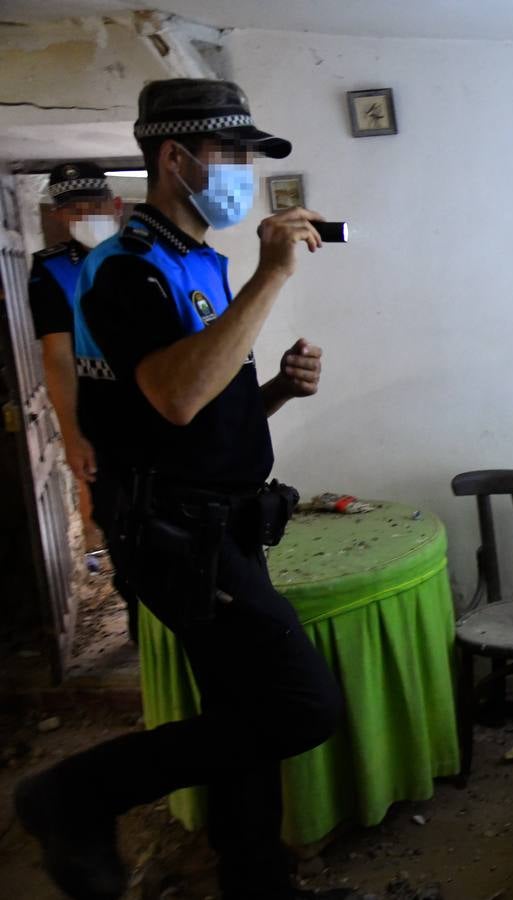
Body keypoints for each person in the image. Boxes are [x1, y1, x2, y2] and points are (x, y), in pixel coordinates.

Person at [13, 79, 351, 900]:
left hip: (221, 523)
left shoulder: (196, 259)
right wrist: (271, 278)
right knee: (303, 707)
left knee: (243, 717)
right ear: (176, 157)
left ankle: (256, 881)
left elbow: (187, 407)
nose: (241, 174)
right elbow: (173, 397)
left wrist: (274, 390)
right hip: (173, 532)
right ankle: (70, 794)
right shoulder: (124, 268)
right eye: (231, 156)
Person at [28, 163, 137, 636]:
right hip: (105, 420)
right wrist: (72, 438)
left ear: (114, 205)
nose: (83, 214)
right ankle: (138, 619)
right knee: (119, 523)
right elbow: (56, 357)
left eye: (91, 204)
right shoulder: (51, 269)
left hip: (168, 411)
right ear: (59, 215)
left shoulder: (150, 249)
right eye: (71, 208)